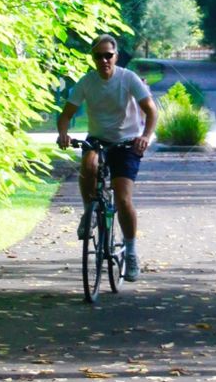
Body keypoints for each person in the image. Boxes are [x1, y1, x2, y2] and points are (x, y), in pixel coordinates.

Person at [56, 35, 157, 282]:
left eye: (108, 55)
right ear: (93, 58)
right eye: (98, 56)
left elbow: (151, 110)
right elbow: (66, 114)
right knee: (88, 164)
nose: (103, 60)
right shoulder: (86, 82)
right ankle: (89, 211)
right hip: (98, 139)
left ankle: (131, 251)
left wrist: (145, 136)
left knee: (123, 199)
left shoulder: (128, 78)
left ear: (116, 56)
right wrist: (63, 134)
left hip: (127, 142)